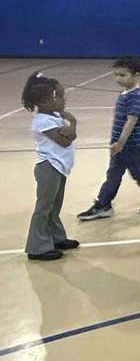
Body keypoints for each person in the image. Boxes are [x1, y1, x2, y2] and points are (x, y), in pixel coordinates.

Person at [78, 57, 140, 221]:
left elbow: (131, 121)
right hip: (121, 144)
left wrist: (120, 143)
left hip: (130, 144)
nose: (118, 79)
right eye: (116, 75)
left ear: (136, 75)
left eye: (123, 75)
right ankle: (105, 204)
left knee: (131, 172)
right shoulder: (126, 94)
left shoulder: (135, 96)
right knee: (119, 173)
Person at [22, 72, 78, 261]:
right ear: (45, 102)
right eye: (60, 96)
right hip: (48, 168)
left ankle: (56, 238)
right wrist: (71, 126)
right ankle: (37, 247)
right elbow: (64, 142)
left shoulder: (54, 115)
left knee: (55, 206)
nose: (64, 100)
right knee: (44, 207)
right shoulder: (42, 121)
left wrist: (72, 126)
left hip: (59, 167)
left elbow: (70, 136)